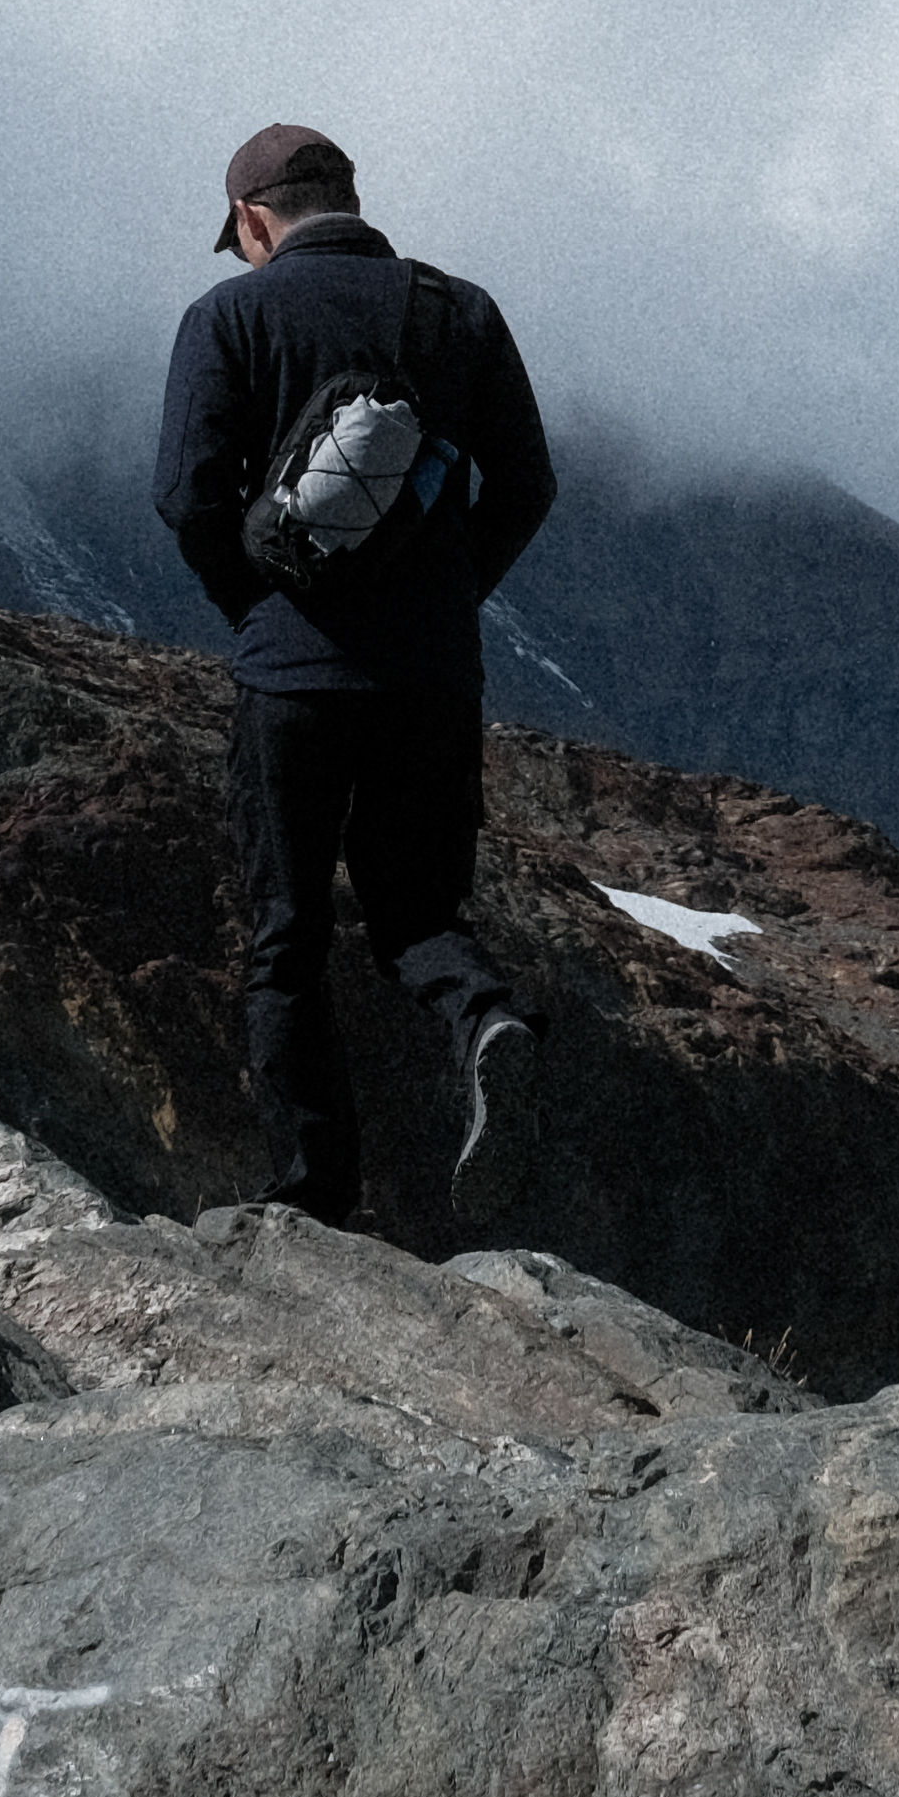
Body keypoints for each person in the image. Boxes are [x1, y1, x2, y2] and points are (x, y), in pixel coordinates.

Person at [155, 122, 561, 1231]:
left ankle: (313, 1199)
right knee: (413, 909)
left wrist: (258, 610)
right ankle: (484, 1016)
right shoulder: (458, 311)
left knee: (286, 934)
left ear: (252, 220)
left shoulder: (228, 317)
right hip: (431, 679)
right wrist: (443, 600)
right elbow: (526, 482)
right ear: (348, 195)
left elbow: (186, 495)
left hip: (291, 678)